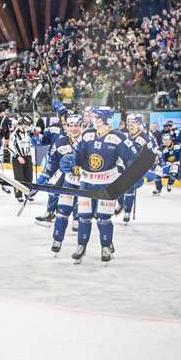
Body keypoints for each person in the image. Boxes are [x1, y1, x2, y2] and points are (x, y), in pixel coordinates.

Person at [69, 108, 138, 263]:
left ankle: (105, 246)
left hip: (107, 183)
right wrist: (72, 161)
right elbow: (77, 154)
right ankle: (81, 246)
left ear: (102, 118)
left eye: (93, 116)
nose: (91, 118)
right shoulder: (87, 134)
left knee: (104, 218)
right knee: (84, 217)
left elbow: (131, 158)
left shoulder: (118, 137)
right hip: (86, 182)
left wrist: (134, 174)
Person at [45, 113, 83, 253]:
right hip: (69, 182)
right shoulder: (60, 142)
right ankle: (57, 239)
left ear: (82, 126)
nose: (73, 128)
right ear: (66, 126)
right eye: (70, 125)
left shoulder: (88, 141)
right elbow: (52, 162)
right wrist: (44, 176)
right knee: (62, 211)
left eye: (76, 125)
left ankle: (101, 243)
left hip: (86, 184)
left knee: (86, 216)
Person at [32, 101, 69, 224]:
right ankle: (50, 212)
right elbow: (43, 143)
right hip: (53, 162)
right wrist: (36, 137)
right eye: (61, 115)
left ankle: (76, 217)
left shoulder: (74, 127)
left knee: (70, 191)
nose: (64, 121)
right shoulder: (52, 128)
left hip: (69, 165)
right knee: (52, 188)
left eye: (65, 115)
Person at [120, 113, 153, 222]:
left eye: (133, 122)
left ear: (139, 124)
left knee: (129, 188)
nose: (130, 124)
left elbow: (151, 155)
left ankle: (127, 211)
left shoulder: (145, 138)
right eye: (128, 122)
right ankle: (121, 204)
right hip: (121, 167)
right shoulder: (124, 135)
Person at [8, 115, 34, 203]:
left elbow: (29, 145)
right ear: (21, 124)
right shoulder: (14, 135)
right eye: (25, 125)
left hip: (27, 157)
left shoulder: (27, 133)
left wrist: (30, 156)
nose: (26, 127)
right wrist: (18, 156)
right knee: (19, 177)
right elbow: (10, 147)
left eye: (27, 125)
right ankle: (18, 195)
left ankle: (27, 193)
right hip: (18, 158)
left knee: (29, 177)